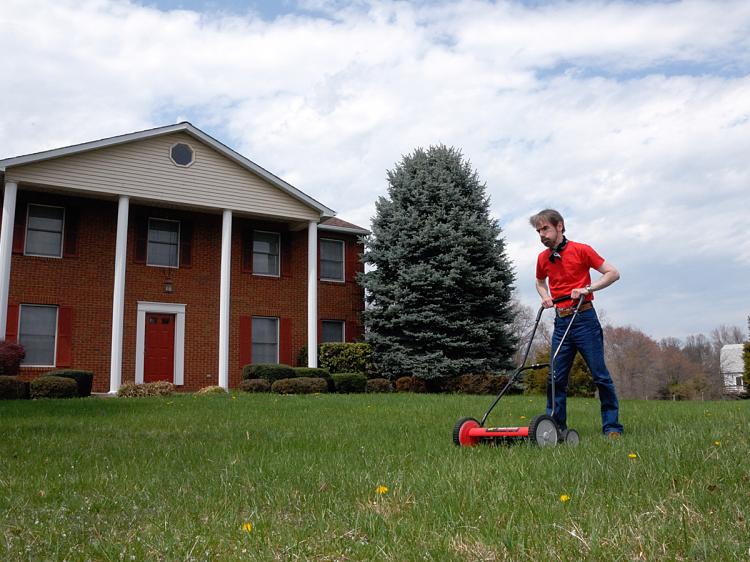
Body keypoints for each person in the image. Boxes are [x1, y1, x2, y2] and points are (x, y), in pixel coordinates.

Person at [529, 209, 624, 438]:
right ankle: (555, 428)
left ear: (560, 226)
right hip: (561, 323)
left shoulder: (581, 250)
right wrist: (545, 296)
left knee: (599, 375)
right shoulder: (543, 258)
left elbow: (613, 273)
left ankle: (612, 427)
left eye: (545, 229)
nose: (542, 234)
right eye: (538, 231)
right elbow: (540, 281)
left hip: (584, 320)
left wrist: (588, 288)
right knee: (555, 377)